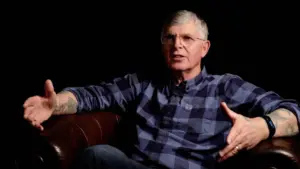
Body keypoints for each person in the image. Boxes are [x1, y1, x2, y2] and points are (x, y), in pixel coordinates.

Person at [23, 10, 300, 169]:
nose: (177, 45)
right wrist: (55, 104)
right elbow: (95, 95)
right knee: (97, 156)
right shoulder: (144, 82)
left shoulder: (225, 86)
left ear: (204, 48)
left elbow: (293, 110)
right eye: (170, 37)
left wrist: (263, 127)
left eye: (187, 38)